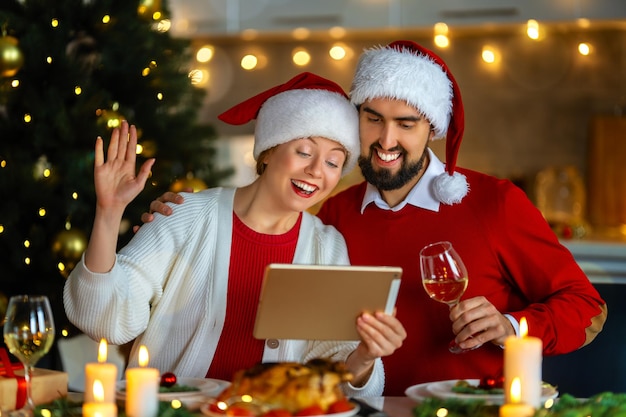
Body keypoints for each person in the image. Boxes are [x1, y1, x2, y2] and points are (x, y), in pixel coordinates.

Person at [142, 41, 608, 396]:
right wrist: (183, 217)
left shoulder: (495, 203)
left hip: (472, 407)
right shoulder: (336, 214)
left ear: (432, 129)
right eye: (373, 118)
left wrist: (511, 327)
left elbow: (587, 309)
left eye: (406, 123)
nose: (386, 139)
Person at [63, 72, 407, 396]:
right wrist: (108, 214)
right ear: (270, 150)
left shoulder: (328, 247)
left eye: (334, 162)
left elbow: (335, 374)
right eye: (304, 152)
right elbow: (105, 320)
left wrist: (364, 356)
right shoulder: (185, 214)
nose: (317, 171)